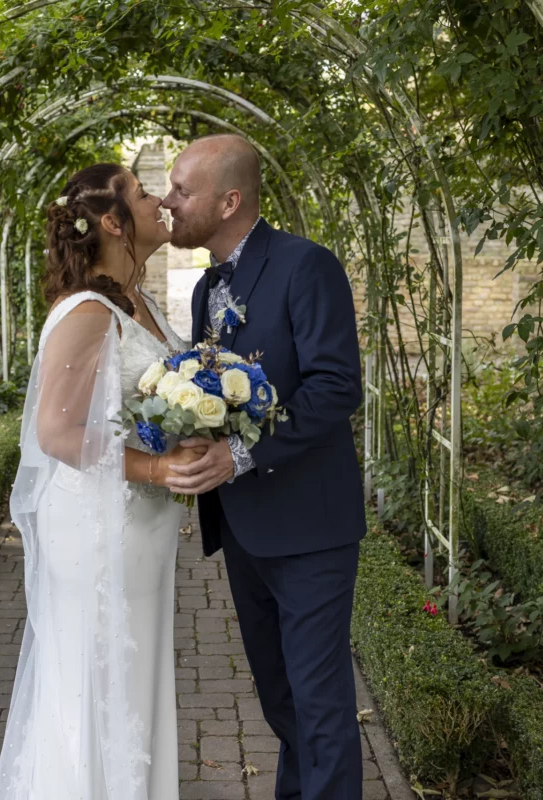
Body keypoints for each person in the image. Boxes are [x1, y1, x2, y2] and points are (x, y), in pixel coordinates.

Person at [162, 134, 367, 800]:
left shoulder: (306, 266)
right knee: (281, 701)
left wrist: (240, 453)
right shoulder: (204, 289)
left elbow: (337, 386)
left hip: (310, 526)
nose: (168, 201)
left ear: (229, 200)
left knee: (318, 702)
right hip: (246, 527)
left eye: (181, 189)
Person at [0, 163, 201, 800]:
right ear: (112, 222)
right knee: (97, 681)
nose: (159, 199)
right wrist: (158, 467)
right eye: (142, 194)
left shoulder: (137, 301)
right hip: (99, 526)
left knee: (130, 679)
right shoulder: (86, 310)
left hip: (138, 525)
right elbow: (56, 434)